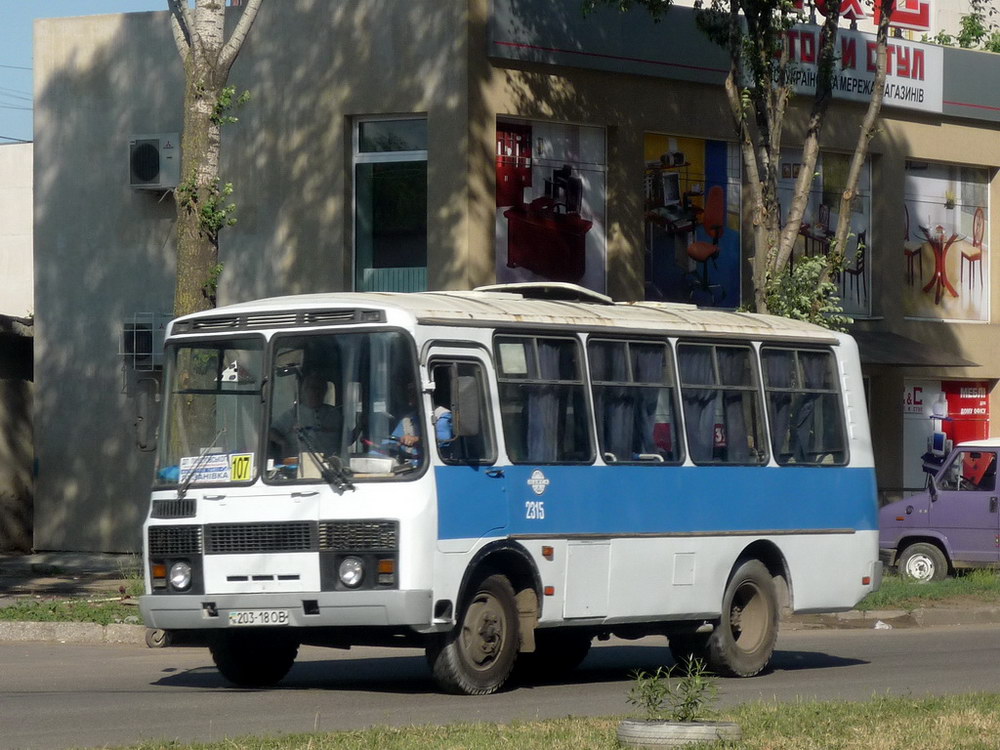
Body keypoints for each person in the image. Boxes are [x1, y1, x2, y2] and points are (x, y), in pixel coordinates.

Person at [269, 371, 342, 460]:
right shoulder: (293, 414)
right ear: (303, 391)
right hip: (300, 468)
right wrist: (283, 442)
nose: (315, 392)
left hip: (332, 467)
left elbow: (347, 439)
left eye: (319, 388)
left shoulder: (334, 414)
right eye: (312, 388)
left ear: (324, 391)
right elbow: (271, 432)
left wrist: (359, 426)